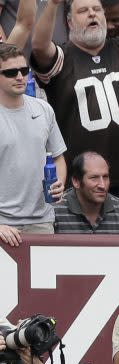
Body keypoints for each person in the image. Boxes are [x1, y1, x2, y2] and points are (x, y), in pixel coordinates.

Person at [30, 0, 119, 234]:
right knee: (78, 253)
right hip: (79, 181)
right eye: (83, 11)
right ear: (68, 21)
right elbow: (38, 46)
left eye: (97, 10)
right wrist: (53, 5)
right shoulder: (62, 57)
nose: (92, 14)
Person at [0, 43, 66, 248]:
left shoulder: (44, 109)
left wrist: (60, 183)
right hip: (4, 223)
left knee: (43, 281)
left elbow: (58, 156)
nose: (20, 77)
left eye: (24, 70)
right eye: (11, 72)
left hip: (42, 219)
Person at [54, 151, 119, 234]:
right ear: (76, 181)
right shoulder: (55, 213)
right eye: (94, 178)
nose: (102, 185)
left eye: (105, 177)